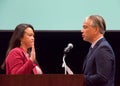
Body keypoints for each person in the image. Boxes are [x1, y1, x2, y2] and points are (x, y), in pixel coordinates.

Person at [81, 15, 115, 86]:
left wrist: (80, 79)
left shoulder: (103, 48)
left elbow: (102, 77)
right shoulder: (95, 47)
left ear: (96, 29)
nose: (82, 30)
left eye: (85, 27)